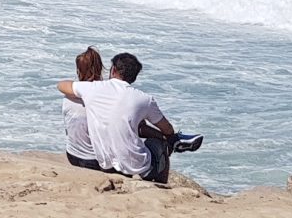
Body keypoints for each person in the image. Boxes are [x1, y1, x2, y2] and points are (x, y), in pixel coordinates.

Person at [57, 52, 199, 183]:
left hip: (102, 161)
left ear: (113, 70)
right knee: (159, 144)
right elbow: (167, 128)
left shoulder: (93, 89)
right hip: (131, 165)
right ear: (134, 77)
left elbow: (61, 85)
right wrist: (167, 136)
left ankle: (174, 141)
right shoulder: (144, 99)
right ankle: (162, 185)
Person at [62, 47, 104, 170]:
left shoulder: (68, 95)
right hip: (94, 161)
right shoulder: (104, 96)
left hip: (72, 155)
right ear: (100, 69)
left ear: (78, 70)